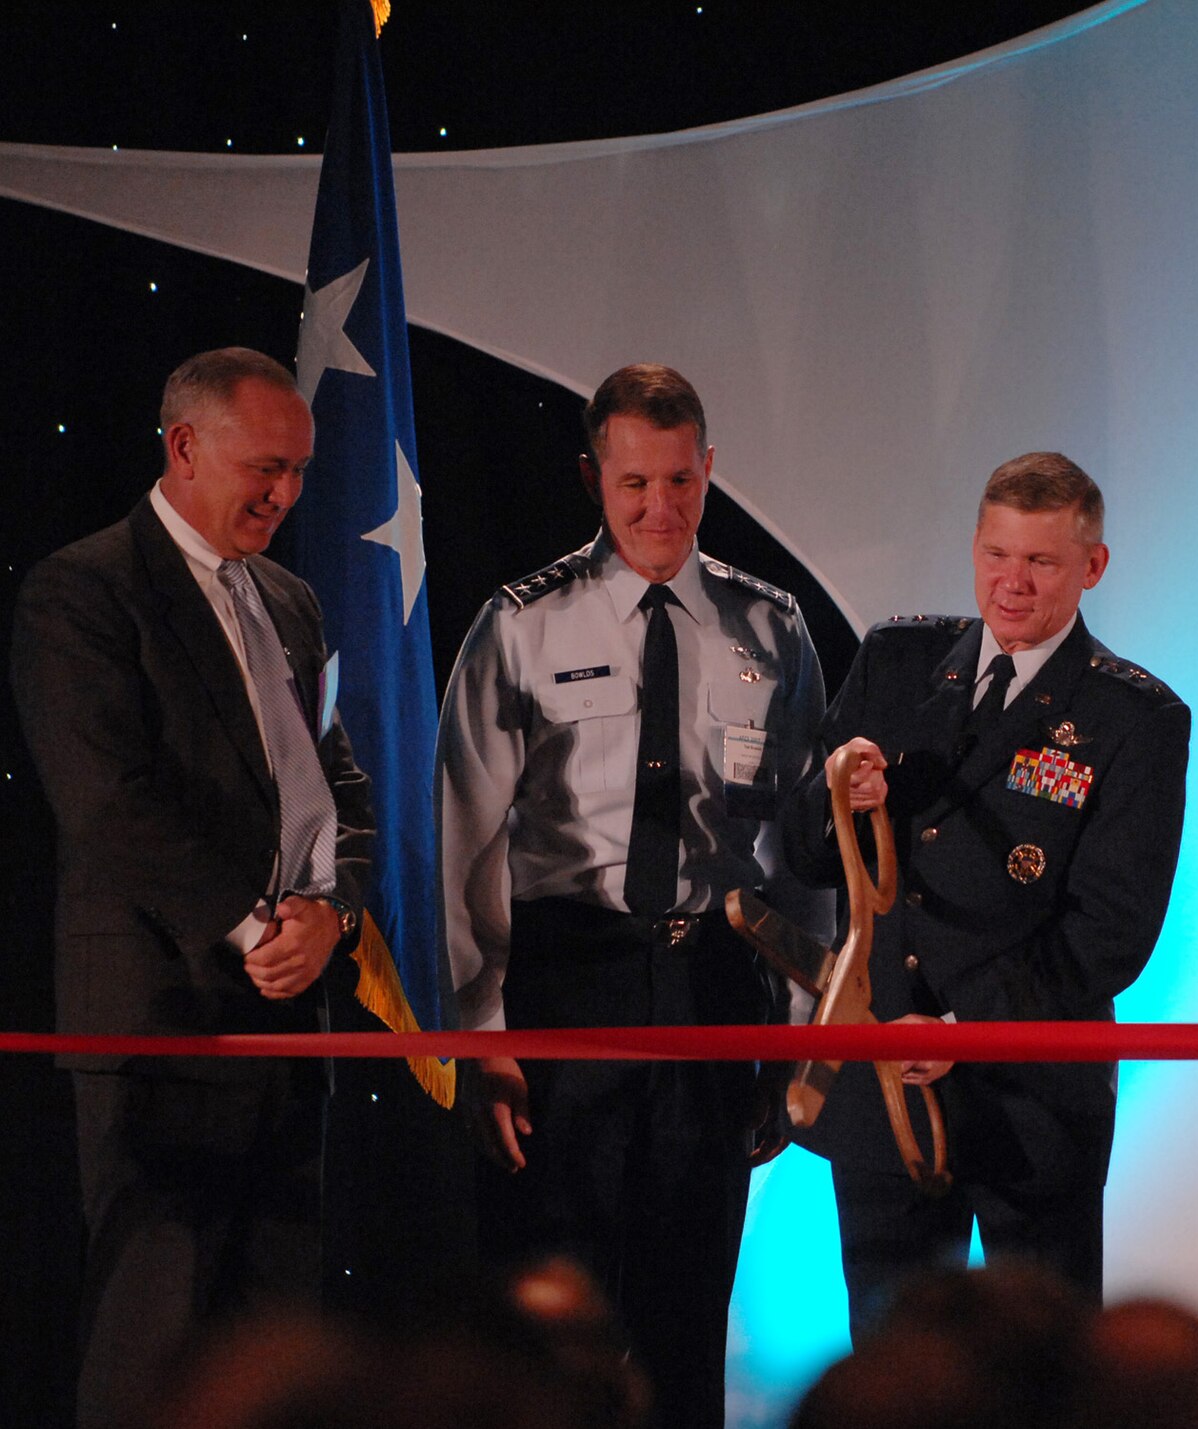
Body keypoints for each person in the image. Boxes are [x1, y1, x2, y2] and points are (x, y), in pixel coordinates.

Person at [436, 363, 827, 1429]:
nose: (660, 509)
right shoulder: (522, 624)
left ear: (708, 471)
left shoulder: (768, 626)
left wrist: (801, 1030)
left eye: (679, 482)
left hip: (712, 980)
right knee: (552, 1315)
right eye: (633, 485)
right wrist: (480, 1034)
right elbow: (462, 842)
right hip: (567, 979)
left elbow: (798, 847)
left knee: (686, 1308)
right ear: (590, 479)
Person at [9, 347, 374, 1429]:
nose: (287, 495)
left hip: (284, 1025)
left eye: (301, 471)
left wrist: (333, 912)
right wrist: (256, 923)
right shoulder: (82, 589)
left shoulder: (292, 603)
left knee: (273, 1357)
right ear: (183, 447)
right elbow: (108, 802)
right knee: (149, 1351)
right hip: (157, 1026)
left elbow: (338, 778)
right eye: (267, 466)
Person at [783, 452, 1189, 1332]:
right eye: (996, 554)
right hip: (883, 1080)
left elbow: (1111, 934)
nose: (1011, 583)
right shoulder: (897, 659)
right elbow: (804, 855)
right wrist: (835, 805)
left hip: (1030, 1102)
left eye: (1040, 562)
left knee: (1044, 1378)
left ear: (1094, 566)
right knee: (894, 1371)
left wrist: (968, 1031)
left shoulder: (1137, 717)